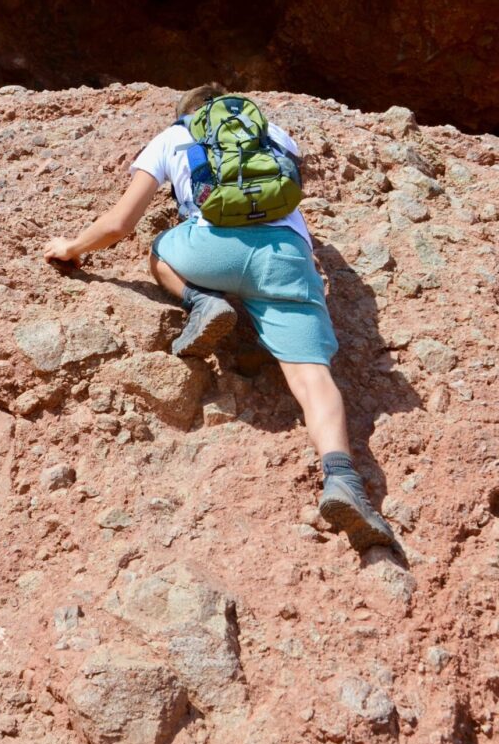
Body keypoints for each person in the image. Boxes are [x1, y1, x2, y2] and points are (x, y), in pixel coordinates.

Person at [43, 84, 397, 553]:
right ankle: (341, 477)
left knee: (159, 253)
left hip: (209, 250)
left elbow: (120, 223)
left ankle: (200, 300)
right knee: (312, 376)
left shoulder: (172, 138)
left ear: (186, 115)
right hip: (286, 258)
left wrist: (70, 247)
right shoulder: (273, 133)